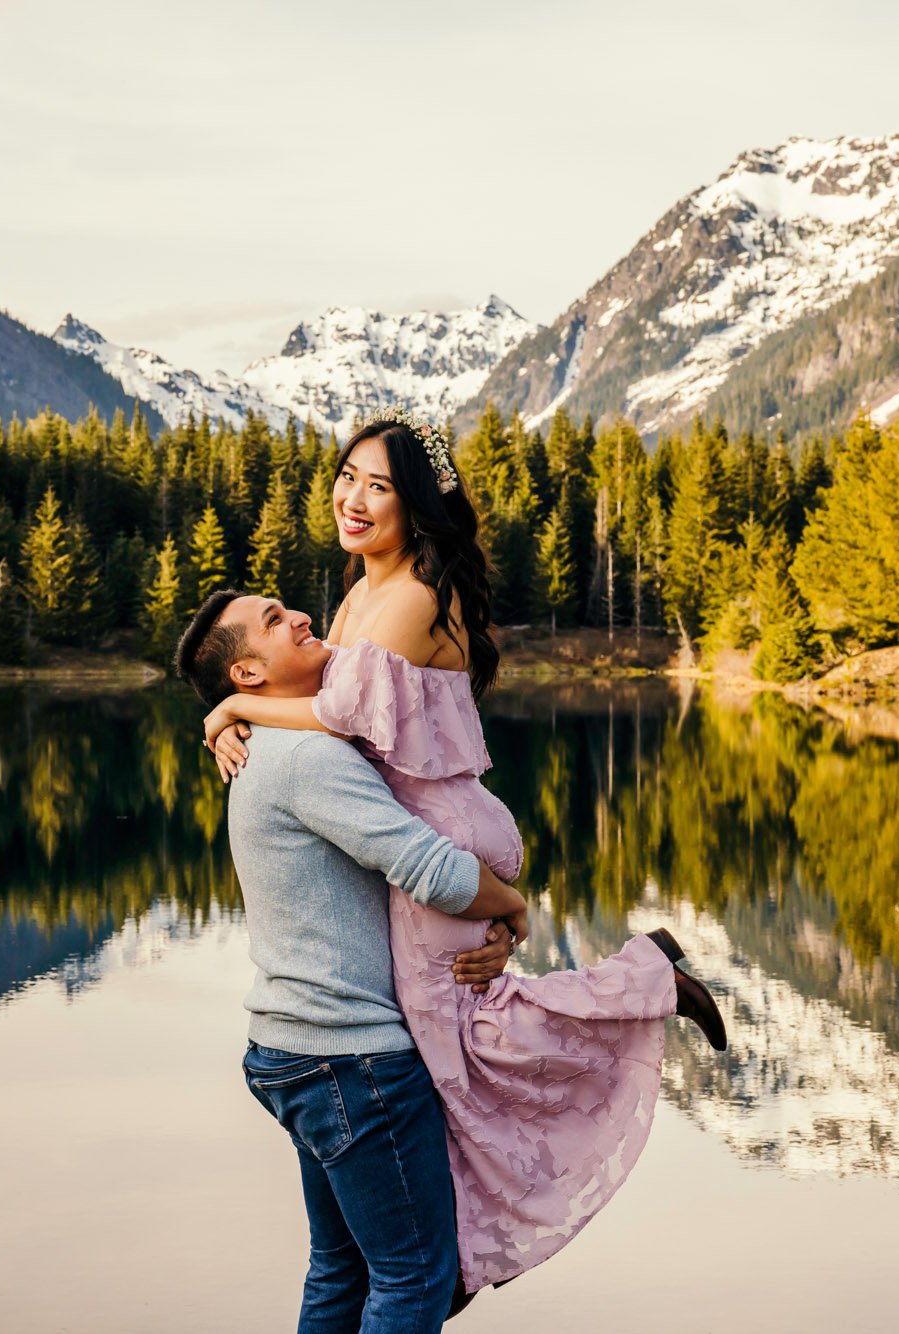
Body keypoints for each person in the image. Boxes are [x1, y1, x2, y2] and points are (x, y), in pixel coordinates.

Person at [186, 414, 727, 1303]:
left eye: (380, 487)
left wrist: (227, 713)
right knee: (465, 1037)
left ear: (417, 506)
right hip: (419, 833)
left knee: (461, 1040)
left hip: (434, 825)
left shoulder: (406, 598)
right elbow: (323, 700)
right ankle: (454, 1250)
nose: (354, 500)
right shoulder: (364, 591)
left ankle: (647, 988)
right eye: (348, 477)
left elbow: (337, 717)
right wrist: (242, 705)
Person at [176, 591, 523, 1334]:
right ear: (248, 671)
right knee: (415, 1278)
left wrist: (230, 712)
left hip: (293, 1049)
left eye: (286, 608)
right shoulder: (306, 757)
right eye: (274, 621)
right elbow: (432, 870)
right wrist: (513, 907)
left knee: (343, 1269)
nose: (300, 617)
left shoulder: (271, 744)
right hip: (352, 1063)